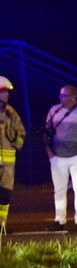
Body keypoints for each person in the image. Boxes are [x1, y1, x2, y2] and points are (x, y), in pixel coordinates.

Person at [45, 85, 77, 234]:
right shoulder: (54, 111)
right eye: (60, 95)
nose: (61, 98)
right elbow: (46, 134)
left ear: (73, 96)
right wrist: (51, 155)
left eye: (64, 95)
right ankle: (59, 221)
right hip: (57, 157)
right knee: (59, 191)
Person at [0, 76, 27, 234]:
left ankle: (1, 225)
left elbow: (21, 132)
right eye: (4, 92)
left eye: (7, 93)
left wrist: (16, 145)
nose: (7, 95)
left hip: (8, 164)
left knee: (4, 196)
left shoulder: (11, 113)